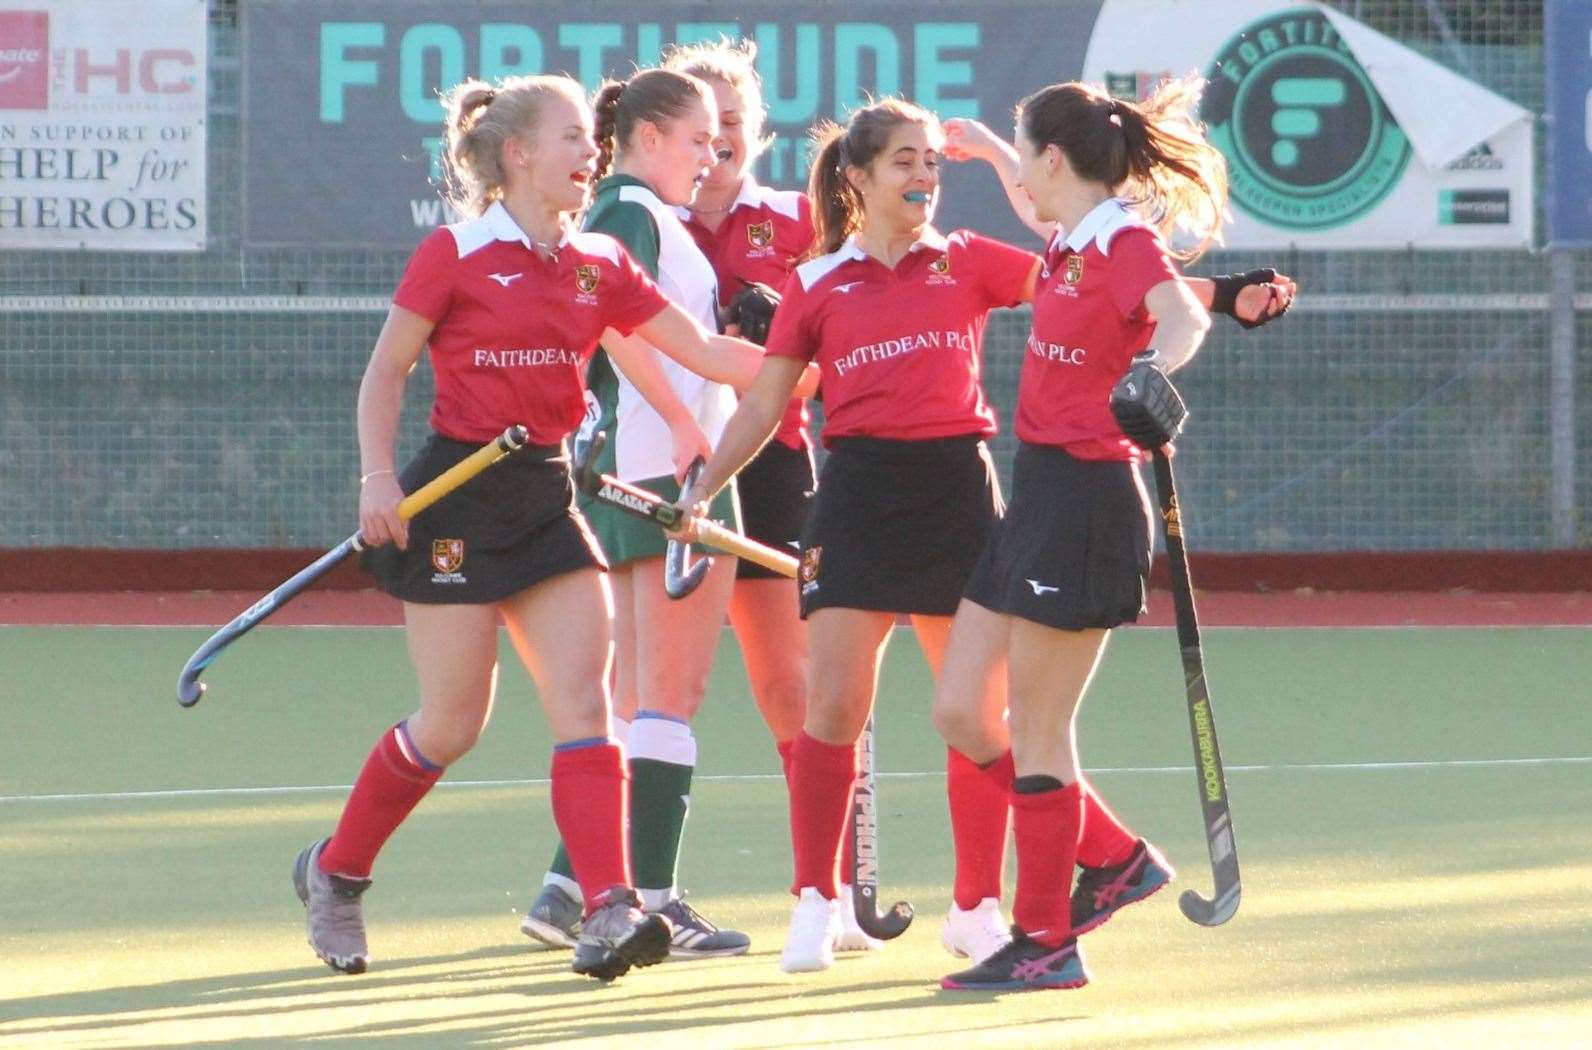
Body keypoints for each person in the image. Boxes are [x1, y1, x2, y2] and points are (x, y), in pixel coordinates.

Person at [672, 95, 1292, 976]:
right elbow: (768, 401)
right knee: (904, 710)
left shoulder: (1020, 254)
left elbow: (1141, 295)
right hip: (929, 496)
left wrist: (1213, 311)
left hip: (1012, 493)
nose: (928, 175)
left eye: (934, 161)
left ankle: (1013, 923)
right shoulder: (844, 278)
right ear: (859, 177)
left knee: (1013, 720)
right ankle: (861, 895)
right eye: (907, 162)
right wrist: (706, 484)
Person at [293, 72, 770, 983]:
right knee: (453, 721)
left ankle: (605, 909)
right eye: (572, 141)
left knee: (588, 708)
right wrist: (377, 478)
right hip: (457, 502)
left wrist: (814, 357)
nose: (590, 155)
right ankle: (337, 873)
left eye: (591, 143)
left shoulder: (598, 260)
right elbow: (386, 372)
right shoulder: (456, 252)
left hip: (547, 499)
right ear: (516, 154)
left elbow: (707, 354)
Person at [932, 77, 1248, 992]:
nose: (1023, 171)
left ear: (1056, 158)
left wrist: (1150, 374)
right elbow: (1040, 214)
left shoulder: (1125, 240)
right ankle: (1112, 856)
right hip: (1037, 498)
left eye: (1027, 151)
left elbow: (1181, 315)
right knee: (961, 710)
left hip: (1090, 501)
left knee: (1037, 726)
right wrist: (995, 149)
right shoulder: (1075, 238)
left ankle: (1046, 941)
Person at [523, 67, 817, 960]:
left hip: (650, 465)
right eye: (697, 138)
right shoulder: (635, 215)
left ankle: (577, 888)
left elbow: (688, 341)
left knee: (630, 702)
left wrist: (800, 370)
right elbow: (611, 326)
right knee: (670, 697)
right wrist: (694, 421)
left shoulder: (641, 215)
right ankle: (651, 899)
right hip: (671, 470)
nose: (712, 153)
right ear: (649, 137)